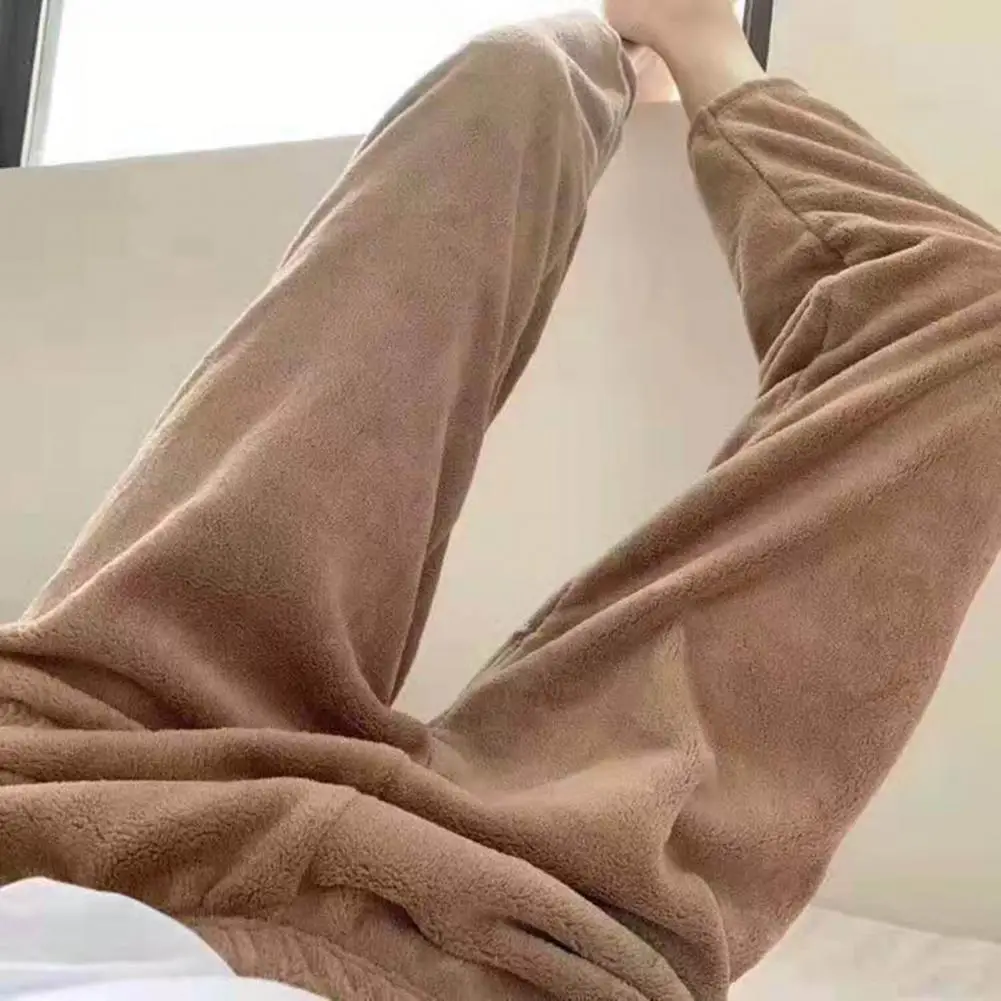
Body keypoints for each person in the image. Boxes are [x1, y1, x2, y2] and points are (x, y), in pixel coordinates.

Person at [2, 1, 1000, 998]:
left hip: (67, 773)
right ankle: (674, 43)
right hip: (502, 938)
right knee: (969, 331)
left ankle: (613, 41)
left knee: (503, 86)